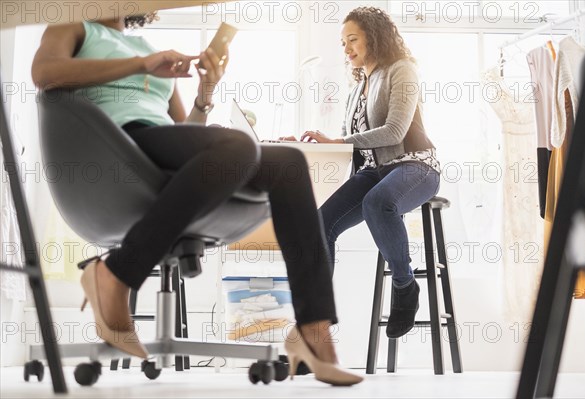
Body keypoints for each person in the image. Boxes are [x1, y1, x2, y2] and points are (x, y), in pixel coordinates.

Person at [31, 13, 362, 386]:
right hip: (116, 151)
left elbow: (184, 134)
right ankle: (118, 271)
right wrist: (142, 65)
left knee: (288, 163)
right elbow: (44, 73)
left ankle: (312, 328)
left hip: (158, 151)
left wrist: (205, 94)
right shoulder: (75, 27)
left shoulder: (148, 48)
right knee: (236, 145)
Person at [281, 7, 441, 339]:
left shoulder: (403, 70)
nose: (346, 48)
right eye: (343, 43)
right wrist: (302, 140)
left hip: (416, 165)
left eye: (352, 39)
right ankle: (317, 318)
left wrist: (339, 139)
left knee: (377, 203)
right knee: (320, 223)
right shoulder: (356, 88)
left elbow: (395, 131)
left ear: (374, 36)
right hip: (375, 170)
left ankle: (405, 285)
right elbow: (346, 142)